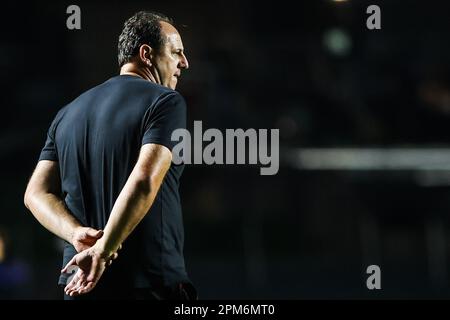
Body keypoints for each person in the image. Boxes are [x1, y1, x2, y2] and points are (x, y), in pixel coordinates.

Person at [24, 11, 196, 300]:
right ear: (146, 54)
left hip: (78, 284)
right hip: (148, 281)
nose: (184, 63)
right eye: (176, 52)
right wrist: (103, 252)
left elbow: (34, 194)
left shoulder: (67, 113)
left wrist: (75, 233)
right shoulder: (166, 102)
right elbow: (144, 180)